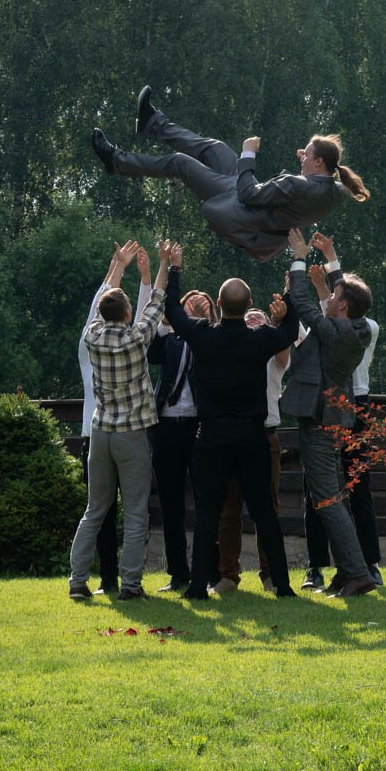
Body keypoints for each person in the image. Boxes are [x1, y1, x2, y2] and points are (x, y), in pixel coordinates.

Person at [91, 86, 369, 261]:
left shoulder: (297, 184)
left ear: (319, 162)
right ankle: (153, 122)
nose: (302, 156)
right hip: (260, 213)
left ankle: (115, 161)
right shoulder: (336, 188)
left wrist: (249, 153)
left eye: (307, 154)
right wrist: (307, 164)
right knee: (218, 149)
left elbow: (249, 193)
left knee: (180, 163)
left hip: (243, 209)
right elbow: (310, 184)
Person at [163, 248, 298, 599]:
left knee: (208, 512)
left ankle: (198, 586)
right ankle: (281, 585)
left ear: (218, 303)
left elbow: (173, 311)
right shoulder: (261, 339)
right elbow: (291, 330)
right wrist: (286, 298)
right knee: (265, 513)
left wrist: (175, 270)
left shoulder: (204, 335)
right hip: (252, 436)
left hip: (212, 436)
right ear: (249, 301)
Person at [68, 239, 169, 603]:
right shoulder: (136, 338)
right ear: (128, 313)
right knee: (136, 512)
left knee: (95, 509)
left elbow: (100, 303)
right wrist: (161, 264)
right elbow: (157, 300)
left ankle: (77, 581)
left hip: (100, 432)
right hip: (131, 434)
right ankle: (129, 585)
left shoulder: (92, 335)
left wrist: (119, 266)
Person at [281, 228, 376, 599]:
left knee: (326, 499)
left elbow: (303, 304)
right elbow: (348, 295)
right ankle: (347, 572)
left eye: (334, 295)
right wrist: (334, 262)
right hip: (333, 419)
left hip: (321, 421)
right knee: (330, 496)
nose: (331, 296)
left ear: (341, 307)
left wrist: (300, 257)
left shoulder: (333, 330)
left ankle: (356, 573)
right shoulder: (358, 327)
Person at [216, 308, 290, 594]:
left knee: (267, 511)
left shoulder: (274, 358)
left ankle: (270, 575)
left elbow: (284, 351)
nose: (254, 320)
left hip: (264, 436)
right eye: (248, 317)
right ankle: (228, 576)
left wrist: (282, 321)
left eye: (259, 317)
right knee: (228, 510)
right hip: (231, 435)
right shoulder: (228, 352)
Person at [146, 290, 206, 592]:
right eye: (188, 307)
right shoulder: (169, 340)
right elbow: (151, 355)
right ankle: (178, 573)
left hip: (199, 427)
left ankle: (205, 572)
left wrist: (206, 320)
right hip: (167, 426)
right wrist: (167, 321)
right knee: (171, 505)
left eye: (200, 306)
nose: (194, 310)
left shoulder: (209, 340)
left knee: (205, 502)